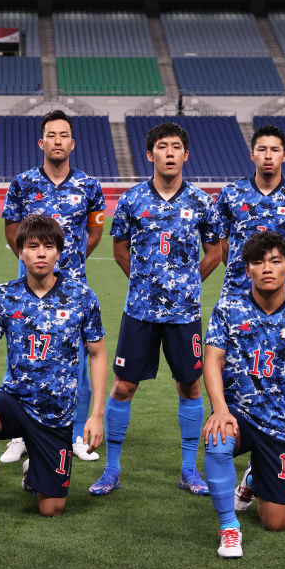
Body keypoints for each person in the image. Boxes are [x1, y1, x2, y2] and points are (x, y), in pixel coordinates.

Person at [89, 121, 223, 496]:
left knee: (190, 385)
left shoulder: (202, 202)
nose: (169, 153)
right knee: (124, 386)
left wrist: (188, 283)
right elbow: (119, 249)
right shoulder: (132, 200)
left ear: (186, 154)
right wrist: (143, 282)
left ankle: (188, 469)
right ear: (150, 154)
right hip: (140, 312)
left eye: (176, 146)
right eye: (162, 146)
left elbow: (215, 252)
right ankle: (111, 469)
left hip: (184, 315)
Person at [0, 215, 107, 545]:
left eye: (48, 247)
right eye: (32, 246)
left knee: (52, 509)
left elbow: (97, 355)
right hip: (16, 400)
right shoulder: (4, 295)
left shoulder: (82, 296)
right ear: (19, 251)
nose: (40, 253)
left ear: (59, 253)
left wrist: (95, 415)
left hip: (56, 416)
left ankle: (36, 469)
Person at [201, 231, 285, 558]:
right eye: (258, 262)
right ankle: (229, 528)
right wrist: (220, 409)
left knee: (277, 523)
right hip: (238, 415)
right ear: (248, 270)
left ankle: (253, 480)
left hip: (280, 425)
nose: (267, 268)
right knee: (217, 437)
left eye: (275, 261)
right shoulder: (228, 308)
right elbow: (212, 360)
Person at [0, 110, 107, 465]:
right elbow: (12, 231)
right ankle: (19, 436)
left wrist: (70, 261)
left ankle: (75, 434)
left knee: (77, 365)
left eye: (63, 135)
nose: (57, 141)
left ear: (72, 143)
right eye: (51, 135)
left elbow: (94, 233)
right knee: (21, 360)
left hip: (72, 291)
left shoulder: (89, 186)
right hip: (28, 290)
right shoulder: (22, 184)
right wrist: (32, 262)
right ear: (41, 142)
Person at [216, 124, 285, 298]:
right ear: (252, 154)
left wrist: (284, 276)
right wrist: (239, 268)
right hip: (237, 295)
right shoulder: (231, 193)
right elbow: (220, 241)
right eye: (262, 149)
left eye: (275, 150)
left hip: (281, 297)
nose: (268, 156)